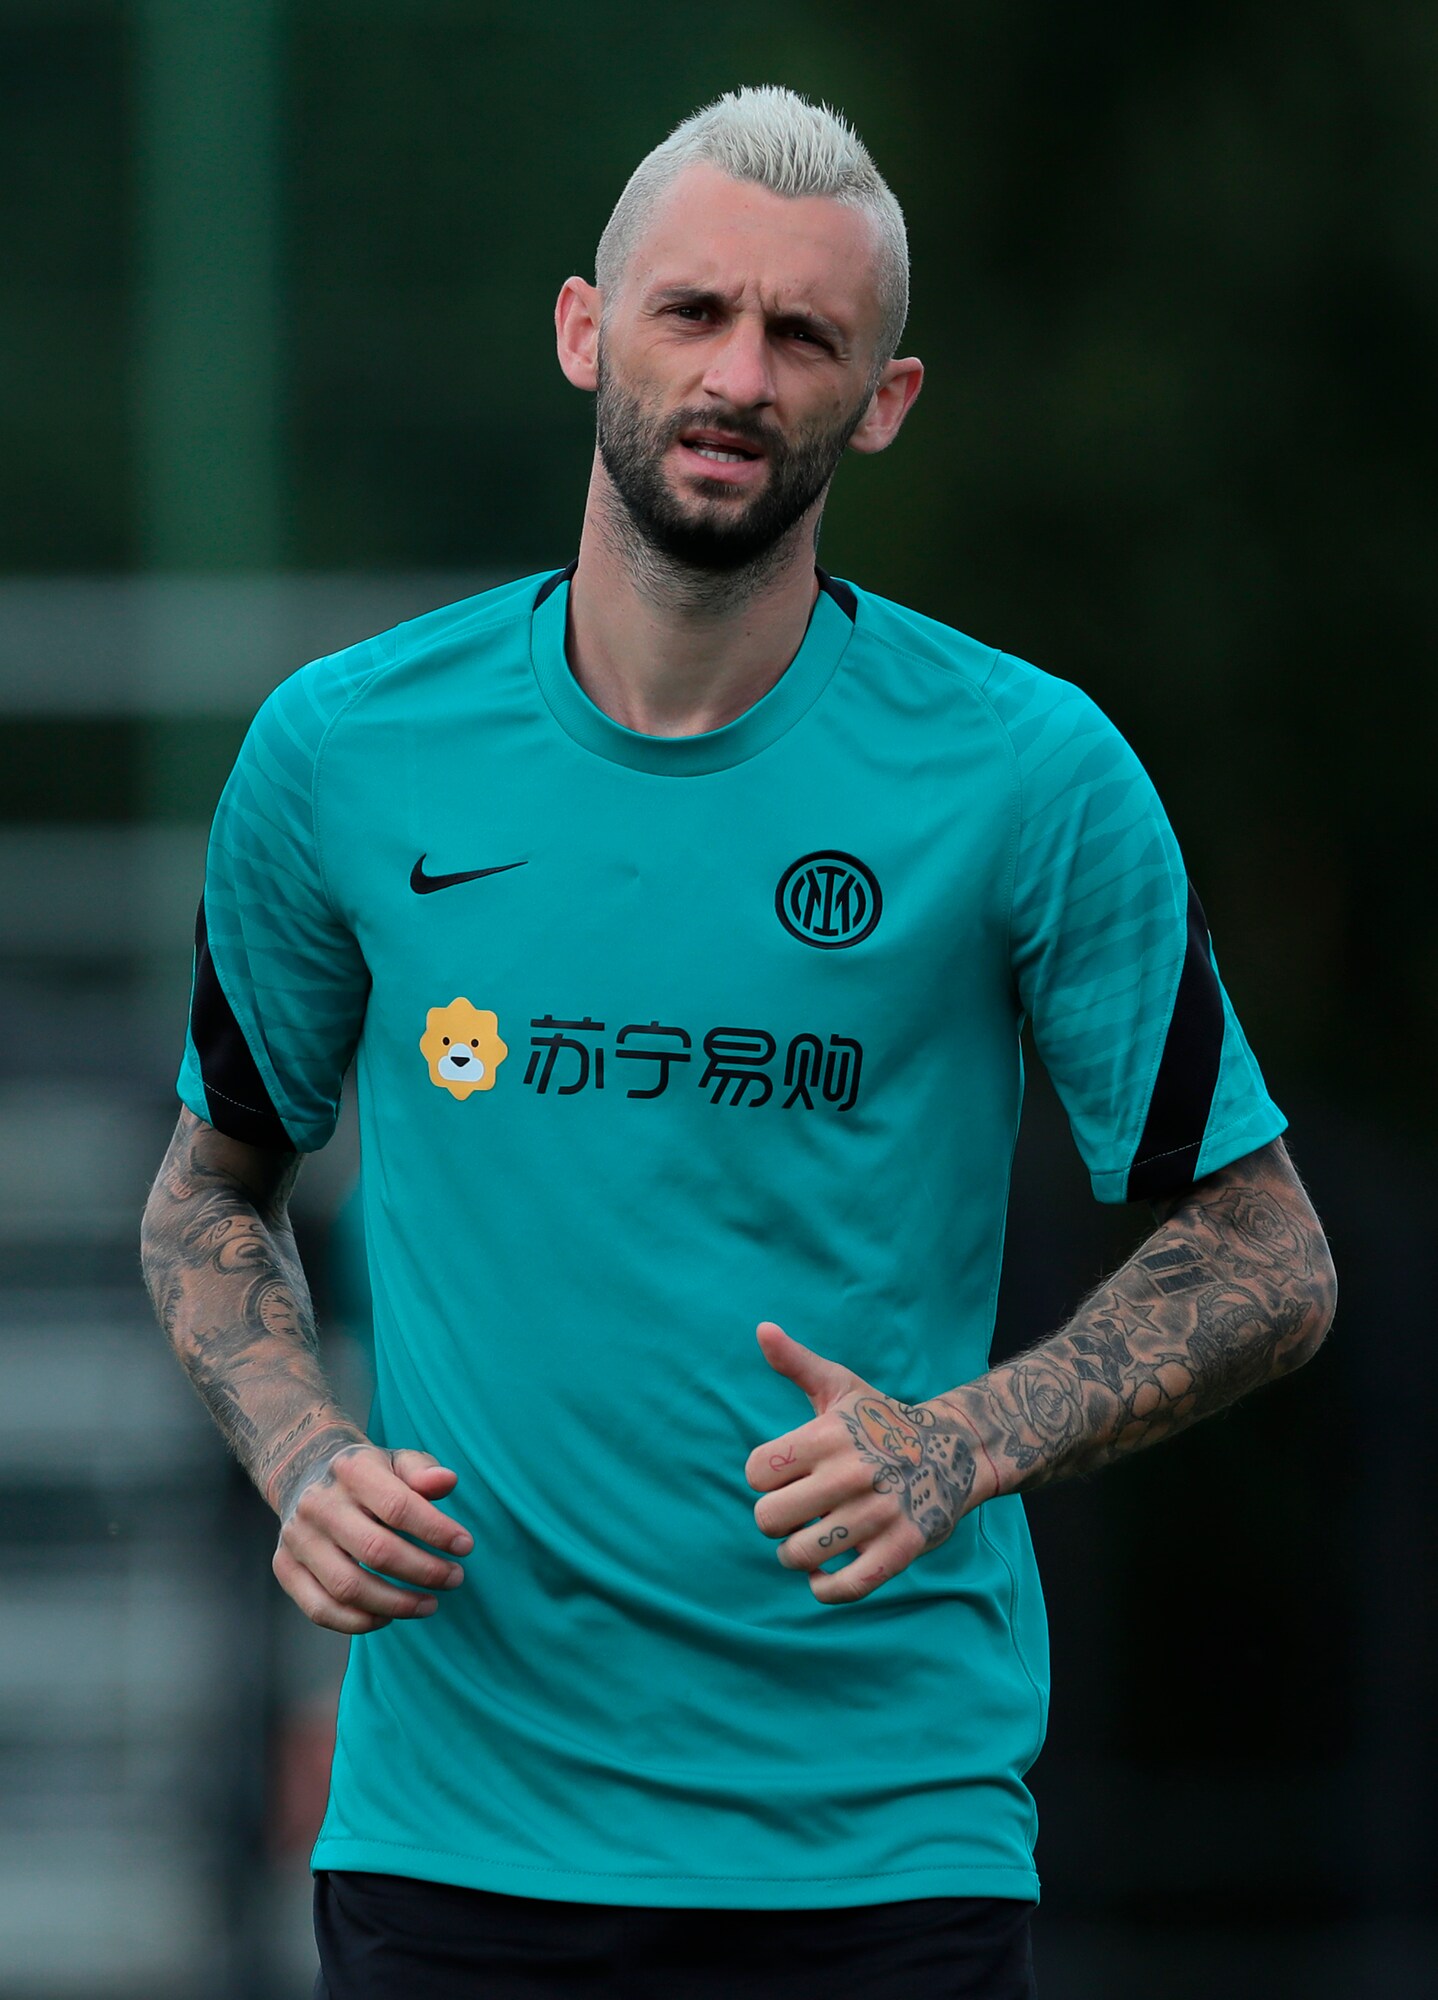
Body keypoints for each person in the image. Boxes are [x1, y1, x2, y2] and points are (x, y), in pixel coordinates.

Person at [141, 86, 1336, 2000]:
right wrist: (302, 1458)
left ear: (884, 398)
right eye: (693, 312)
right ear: (583, 329)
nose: (738, 376)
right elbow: (208, 1193)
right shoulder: (341, 751)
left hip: (882, 1850)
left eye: (804, 337)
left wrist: (964, 1441)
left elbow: (1268, 1250)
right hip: (454, 1848)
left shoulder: (1025, 771)